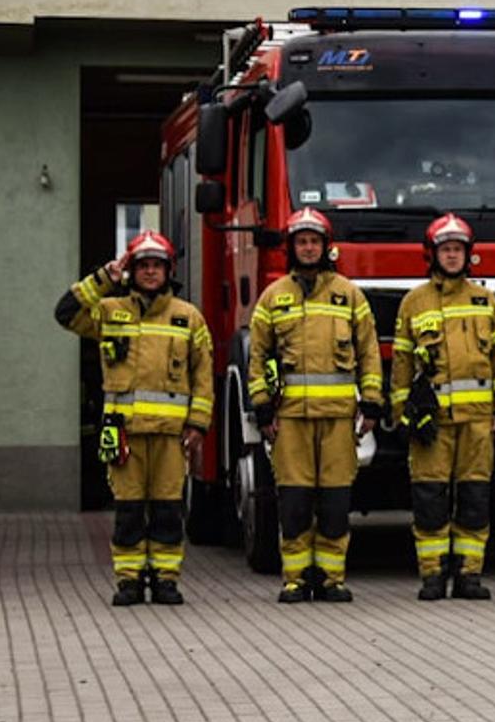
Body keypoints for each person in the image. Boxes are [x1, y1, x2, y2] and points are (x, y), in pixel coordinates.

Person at [56, 232, 213, 606]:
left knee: (167, 510)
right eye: (142, 265)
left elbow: (203, 376)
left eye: (156, 266)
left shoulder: (187, 318)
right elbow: (65, 313)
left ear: (168, 270)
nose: (149, 272)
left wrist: (198, 425)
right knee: (128, 511)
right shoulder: (110, 312)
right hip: (124, 434)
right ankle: (128, 581)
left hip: (171, 437)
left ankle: (165, 580)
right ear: (132, 270)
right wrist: (105, 276)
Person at [248, 207, 384, 603]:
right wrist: (262, 407)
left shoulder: (349, 295)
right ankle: (294, 578)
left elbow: (369, 353)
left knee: (335, 502)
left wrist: (372, 404)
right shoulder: (273, 297)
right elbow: (258, 356)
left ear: (326, 247)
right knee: (293, 501)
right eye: (301, 242)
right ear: (292, 247)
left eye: (314, 242)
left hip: (339, 419)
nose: (308, 248)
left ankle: (330, 578)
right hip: (290, 420)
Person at [390, 213, 495, 601]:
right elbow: (402, 365)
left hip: (478, 423)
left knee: (475, 499)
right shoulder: (414, 302)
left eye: (458, 249)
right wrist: (402, 415)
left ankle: (469, 576)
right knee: (429, 499)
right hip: (433, 424)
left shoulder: (484, 300)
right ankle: (432, 575)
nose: (453, 256)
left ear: (468, 255)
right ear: (433, 254)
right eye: (446, 249)